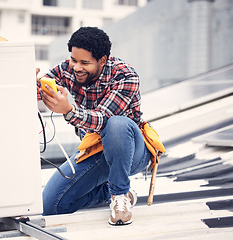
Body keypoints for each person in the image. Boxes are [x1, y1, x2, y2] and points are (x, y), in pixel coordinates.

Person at [36, 26, 151, 226]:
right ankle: (107, 193)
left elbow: (103, 119)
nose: (76, 67)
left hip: (131, 150)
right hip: (96, 150)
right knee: (51, 206)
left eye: (84, 62)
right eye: (73, 59)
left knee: (117, 124)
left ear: (102, 60)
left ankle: (119, 195)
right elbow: (41, 90)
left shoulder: (125, 75)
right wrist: (28, 84)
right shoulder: (67, 69)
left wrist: (68, 110)